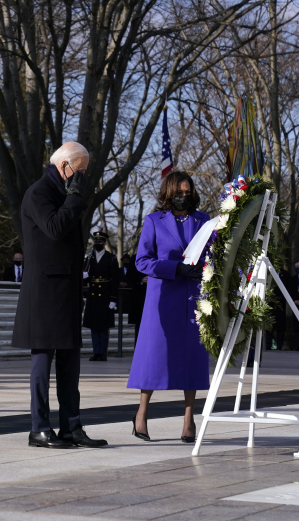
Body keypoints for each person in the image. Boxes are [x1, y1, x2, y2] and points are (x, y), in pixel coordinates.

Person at [11, 142, 107, 449]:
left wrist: (72, 198)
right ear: (64, 165)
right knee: (43, 362)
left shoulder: (64, 194)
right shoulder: (39, 192)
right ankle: (39, 428)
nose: (82, 179)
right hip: (44, 292)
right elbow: (53, 228)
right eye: (79, 172)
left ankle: (71, 427)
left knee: (70, 362)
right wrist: (74, 198)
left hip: (65, 290)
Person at [128, 170, 211, 443]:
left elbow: (213, 254)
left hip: (193, 298)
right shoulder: (154, 221)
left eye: (188, 193)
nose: (183, 197)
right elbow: (142, 261)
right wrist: (174, 268)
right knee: (153, 357)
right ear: (168, 193)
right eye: (179, 193)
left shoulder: (204, 220)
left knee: (192, 358)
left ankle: (189, 420)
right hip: (162, 298)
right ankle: (141, 413)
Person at [83, 230, 118, 361]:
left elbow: (114, 280)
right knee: (93, 326)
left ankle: (102, 353)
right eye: (96, 241)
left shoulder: (111, 258)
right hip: (93, 295)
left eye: (100, 241)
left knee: (103, 327)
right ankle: (95, 352)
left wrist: (113, 298)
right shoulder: (89, 258)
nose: (98, 243)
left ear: (104, 243)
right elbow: (85, 275)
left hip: (105, 294)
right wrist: (84, 276)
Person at [120, 253, 147, 342]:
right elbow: (130, 275)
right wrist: (141, 280)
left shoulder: (158, 255)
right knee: (139, 326)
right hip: (140, 296)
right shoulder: (136, 257)